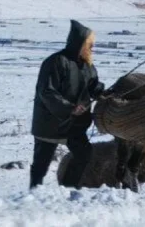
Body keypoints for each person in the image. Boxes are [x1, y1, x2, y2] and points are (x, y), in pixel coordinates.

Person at [30, 20, 105, 189]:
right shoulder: (55, 62)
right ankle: (33, 195)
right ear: (80, 43)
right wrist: (70, 108)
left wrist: (102, 93)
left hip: (74, 124)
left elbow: (92, 85)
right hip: (50, 123)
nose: (92, 48)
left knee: (84, 154)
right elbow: (47, 92)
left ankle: (68, 188)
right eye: (90, 44)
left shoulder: (88, 65)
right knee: (41, 165)